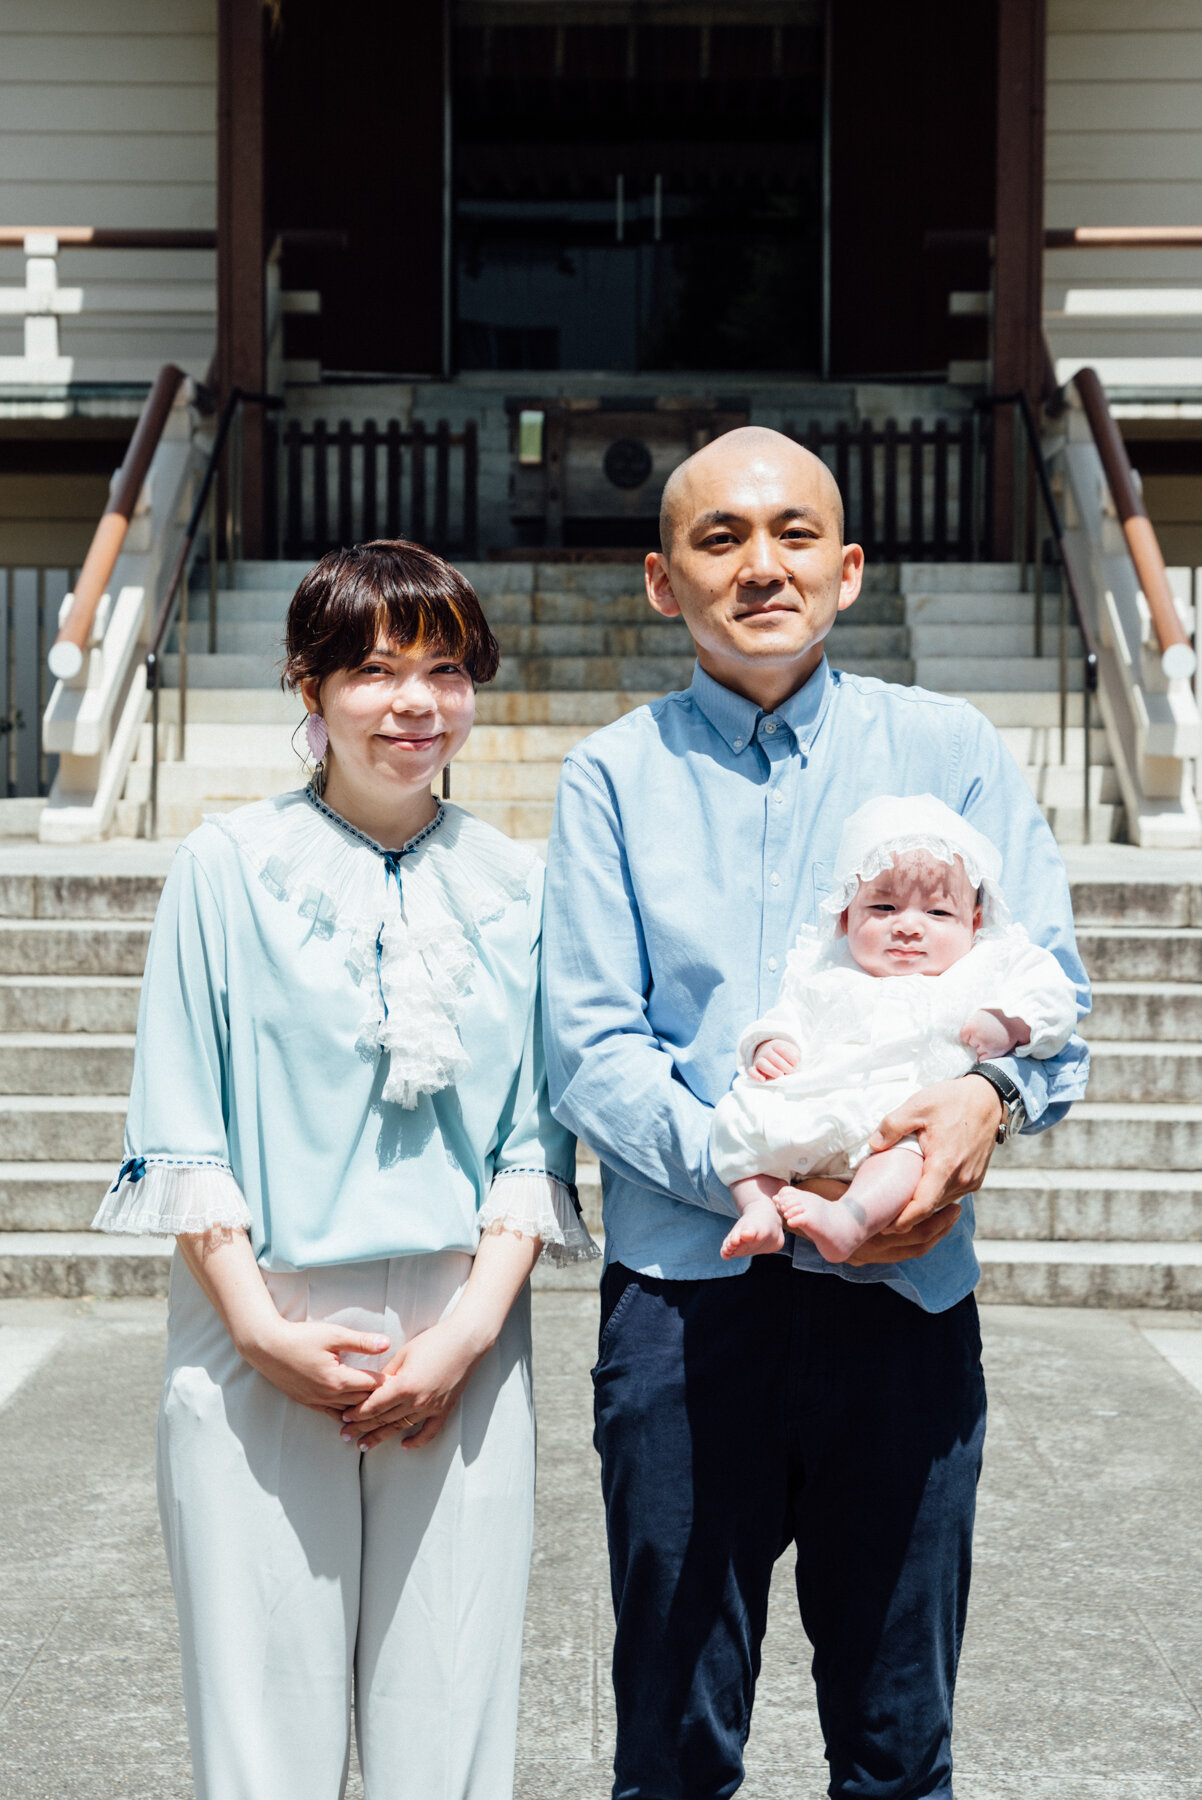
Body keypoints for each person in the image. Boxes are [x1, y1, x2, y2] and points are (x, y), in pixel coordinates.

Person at [541, 427, 1089, 1800]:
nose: (760, 565)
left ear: (846, 572)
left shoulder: (948, 750)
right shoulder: (612, 776)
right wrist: (757, 1168)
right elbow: (593, 1048)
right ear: (661, 580)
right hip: (685, 1301)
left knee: (897, 1745)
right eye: (718, 538)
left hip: (902, 1291)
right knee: (670, 1752)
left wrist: (983, 1097)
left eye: (793, 534)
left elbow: (1050, 997)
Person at [92, 540, 597, 1800]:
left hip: (460, 1322)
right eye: (373, 670)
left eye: (445, 670)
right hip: (257, 1310)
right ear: (308, 687)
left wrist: (465, 1336)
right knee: (261, 1725)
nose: (414, 703)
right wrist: (261, 1332)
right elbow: (183, 1119)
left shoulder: (522, 887)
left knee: (450, 1715)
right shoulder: (224, 867)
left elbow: (533, 1138)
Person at [711, 792, 1080, 1264]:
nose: (908, 926)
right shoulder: (826, 968)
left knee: (908, 1154)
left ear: (975, 921)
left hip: (894, 1120)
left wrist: (1008, 1021)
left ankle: (850, 1220)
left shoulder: (986, 965)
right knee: (738, 1119)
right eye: (884, 908)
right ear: (846, 916)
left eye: (937, 913)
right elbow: (790, 1013)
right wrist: (771, 1043)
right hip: (815, 1106)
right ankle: (759, 1210)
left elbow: (1054, 996)